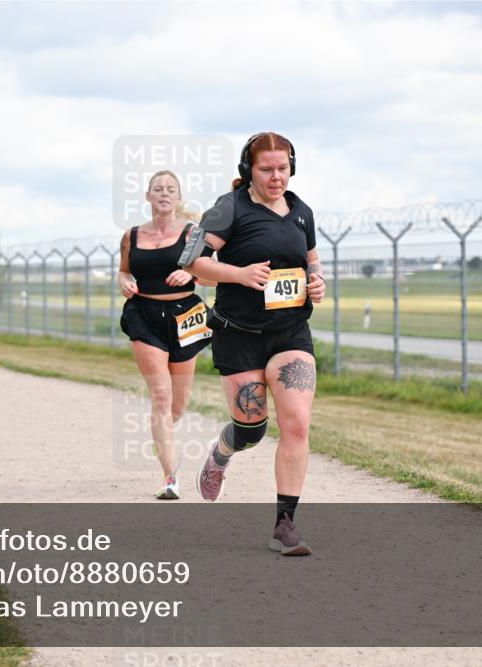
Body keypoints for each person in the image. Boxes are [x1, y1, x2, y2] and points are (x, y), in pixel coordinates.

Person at [185, 132, 325, 556]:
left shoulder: (301, 211)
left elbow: (312, 262)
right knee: (252, 428)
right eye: (267, 169)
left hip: (290, 333)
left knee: (297, 423)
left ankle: (285, 525)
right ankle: (222, 453)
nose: (276, 176)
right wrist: (240, 274)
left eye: (283, 168)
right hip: (238, 334)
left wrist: (318, 283)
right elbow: (193, 263)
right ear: (249, 169)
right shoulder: (230, 208)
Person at [118, 170, 214, 500]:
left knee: (177, 405)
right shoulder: (131, 235)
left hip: (184, 316)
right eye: (158, 189)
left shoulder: (192, 234)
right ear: (147, 196)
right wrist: (123, 281)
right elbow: (124, 269)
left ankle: (165, 438)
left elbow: (212, 277)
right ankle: (170, 477)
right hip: (144, 316)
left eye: (170, 189)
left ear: (179, 197)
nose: (164, 193)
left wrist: (189, 272)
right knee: (161, 396)